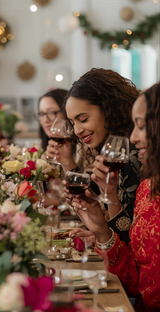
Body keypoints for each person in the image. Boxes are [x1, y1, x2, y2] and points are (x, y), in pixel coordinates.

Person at [71, 82, 160, 312]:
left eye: (141, 126)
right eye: (72, 123)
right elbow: (138, 281)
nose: (133, 137)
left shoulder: (131, 161)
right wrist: (101, 230)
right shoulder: (148, 189)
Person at [47, 68, 141, 244]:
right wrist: (67, 161)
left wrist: (104, 233)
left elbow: (130, 237)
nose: (77, 130)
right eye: (72, 122)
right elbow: (94, 201)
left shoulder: (134, 155)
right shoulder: (109, 149)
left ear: (109, 109)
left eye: (83, 119)